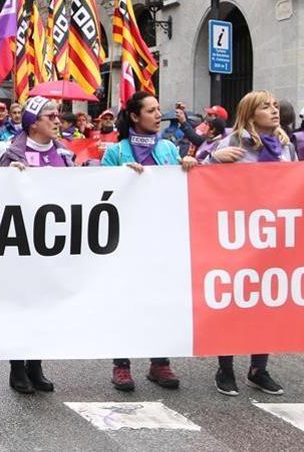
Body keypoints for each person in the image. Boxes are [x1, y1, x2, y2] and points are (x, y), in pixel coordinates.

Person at [100, 93, 197, 392]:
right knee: (125, 302)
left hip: (163, 239)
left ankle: (160, 362)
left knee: (161, 301)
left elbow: (185, 186)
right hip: (126, 242)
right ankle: (121, 364)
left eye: (158, 110)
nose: (158, 115)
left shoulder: (169, 148)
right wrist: (120, 177)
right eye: (151, 110)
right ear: (134, 116)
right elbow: (98, 193)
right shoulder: (116, 153)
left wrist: (190, 166)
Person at [205, 91, 295, 397]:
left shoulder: (286, 147)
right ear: (249, 113)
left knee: (266, 301)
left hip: (271, 236)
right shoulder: (231, 143)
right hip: (234, 235)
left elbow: (296, 186)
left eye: (274, 105)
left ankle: (258, 369)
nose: (274, 110)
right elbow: (200, 181)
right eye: (265, 107)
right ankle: (225, 369)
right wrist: (212, 160)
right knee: (232, 302)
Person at [0, 96, 70, 394]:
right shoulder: (13, 154)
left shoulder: (64, 154)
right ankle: (17, 366)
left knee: (44, 305)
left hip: (52, 245)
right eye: (50, 116)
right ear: (33, 122)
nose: (57, 121)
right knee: (21, 304)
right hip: (20, 243)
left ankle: (36, 364)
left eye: (58, 116)